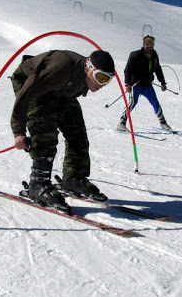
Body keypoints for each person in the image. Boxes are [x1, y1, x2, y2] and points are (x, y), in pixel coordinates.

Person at [11, 49, 116, 213]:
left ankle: (73, 178)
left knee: (77, 132)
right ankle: (38, 184)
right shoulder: (59, 68)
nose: (102, 84)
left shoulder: (82, 76)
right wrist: (19, 131)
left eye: (108, 80)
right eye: (101, 77)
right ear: (88, 68)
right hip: (31, 85)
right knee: (45, 131)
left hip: (58, 89)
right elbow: (26, 95)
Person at [117, 35, 171, 132]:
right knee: (132, 103)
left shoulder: (154, 55)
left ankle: (163, 122)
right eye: (147, 44)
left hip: (147, 85)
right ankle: (122, 122)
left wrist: (162, 82)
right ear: (143, 44)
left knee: (155, 102)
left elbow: (158, 69)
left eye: (151, 44)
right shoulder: (135, 55)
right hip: (136, 84)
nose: (149, 46)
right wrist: (127, 84)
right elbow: (127, 70)